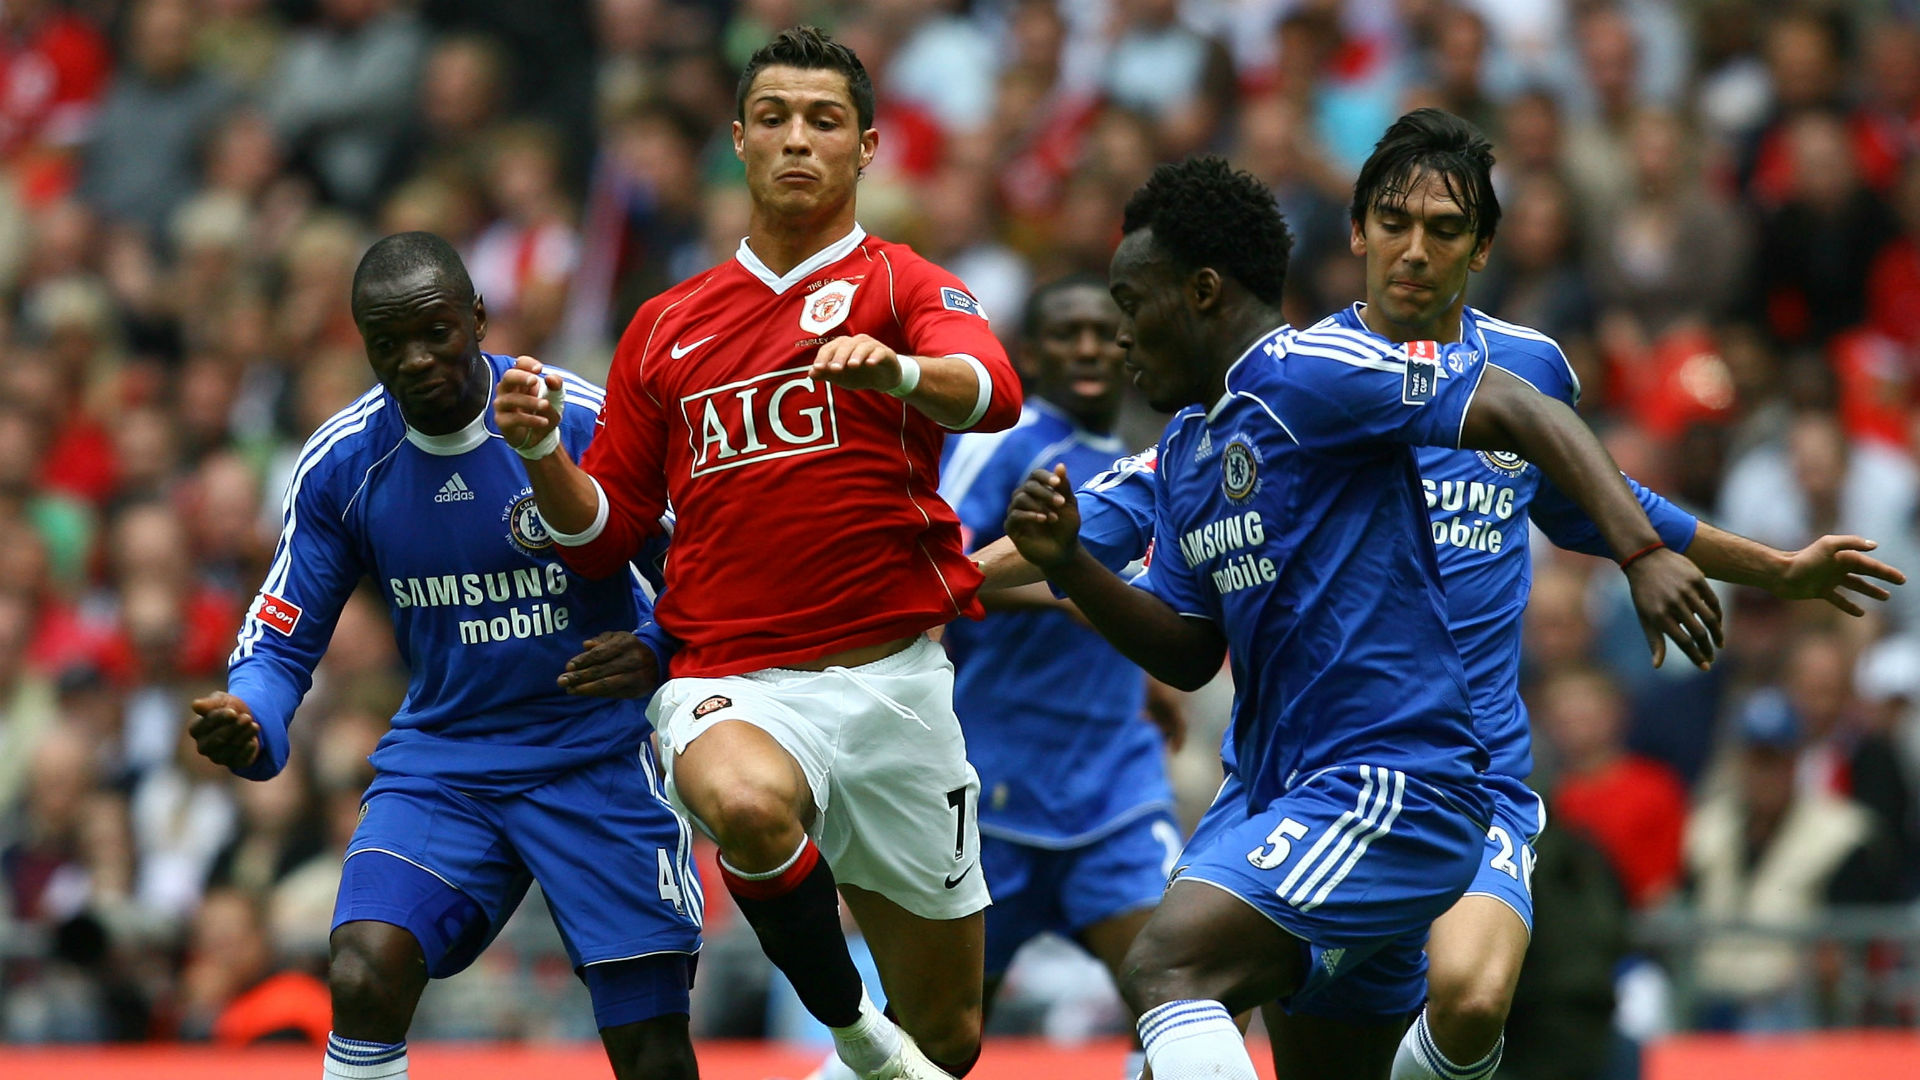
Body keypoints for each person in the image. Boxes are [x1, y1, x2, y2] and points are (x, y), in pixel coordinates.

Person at [976, 110, 1905, 1080]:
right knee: (1208, 1010)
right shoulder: (1275, 393)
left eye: (1446, 229)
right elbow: (1124, 528)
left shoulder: (1515, 374)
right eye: (1394, 222)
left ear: (1482, 248)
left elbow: (1608, 498)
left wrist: (1758, 566)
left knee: (1451, 996)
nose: (1415, 250)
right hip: (1290, 767)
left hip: (1438, 770)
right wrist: (949, 581)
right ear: (1357, 232)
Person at [492, 27, 1020, 1080]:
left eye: (824, 121)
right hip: (732, 680)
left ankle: (881, 1049)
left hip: (896, 684)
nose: (797, 140)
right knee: (743, 804)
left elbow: (992, 390)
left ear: (867, 146)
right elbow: (606, 535)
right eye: (773, 118)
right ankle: (855, 1033)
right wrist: (545, 452)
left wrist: (898, 374)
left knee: (951, 1039)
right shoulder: (665, 325)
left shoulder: (903, 283)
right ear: (737, 139)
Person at [187, 232, 701, 1080]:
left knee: (650, 1047)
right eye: (389, 343)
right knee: (362, 970)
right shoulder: (343, 463)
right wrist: (255, 713)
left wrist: (654, 646)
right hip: (447, 762)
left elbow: (702, 565)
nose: (416, 359)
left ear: (479, 318)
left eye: (436, 332)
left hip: (597, 754)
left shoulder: (576, 418)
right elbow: (280, 636)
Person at [944, 275, 1177, 1080]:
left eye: (1102, 332)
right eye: (1065, 333)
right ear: (1031, 355)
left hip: (1115, 786)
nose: (1087, 348)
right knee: (939, 1035)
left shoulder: (1135, 464)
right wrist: (1072, 595)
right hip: (995, 789)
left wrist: (1145, 675)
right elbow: (932, 572)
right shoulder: (1006, 444)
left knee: (1186, 990)